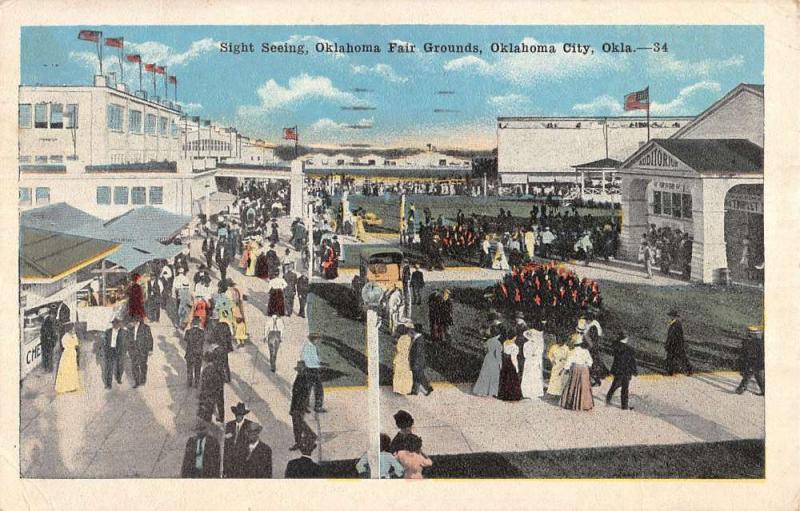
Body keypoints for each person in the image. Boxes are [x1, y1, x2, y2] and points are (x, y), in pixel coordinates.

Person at [560, 333, 594, 411]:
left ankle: (571, 403)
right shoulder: (586, 351)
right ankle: (584, 404)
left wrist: (564, 370)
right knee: (584, 386)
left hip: (576, 368)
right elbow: (590, 362)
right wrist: (586, 365)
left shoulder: (573, 351)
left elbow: (568, 362)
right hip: (584, 369)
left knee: (573, 384)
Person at [289, 361, 318, 451]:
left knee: (299, 424)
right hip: (296, 405)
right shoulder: (300, 377)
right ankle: (301, 442)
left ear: (304, 369)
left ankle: (311, 437)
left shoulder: (305, 379)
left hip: (299, 406)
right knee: (297, 425)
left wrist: (298, 408)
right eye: (298, 369)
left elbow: (304, 395)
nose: (299, 371)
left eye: (300, 369)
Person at [606, 332, 638, 410]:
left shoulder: (616, 347)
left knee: (614, 386)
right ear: (626, 339)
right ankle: (624, 406)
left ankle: (608, 399)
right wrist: (635, 371)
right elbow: (632, 362)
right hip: (627, 372)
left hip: (618, 371)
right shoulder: (630, 350)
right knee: (625, 390)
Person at [223, 402, 254, 478]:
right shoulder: (229, 425)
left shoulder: (249, 425)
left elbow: (251, 446)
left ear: (243, 415)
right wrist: (225, 467)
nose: (238, 416)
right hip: (230, 463)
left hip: (243, 463)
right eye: (237, 414)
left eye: (240, 414)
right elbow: (226, 446)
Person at [472, 320, 503, 397]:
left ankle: (481, 390)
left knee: (485, 374)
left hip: (487, 358)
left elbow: (485, 349)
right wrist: (500, 364)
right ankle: (491, 392)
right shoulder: (498, 343)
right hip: (494, 360)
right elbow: (498, 355)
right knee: (493, 376)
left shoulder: (488, 341)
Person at [736, 326, 765, 396]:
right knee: (758, 376)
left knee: (748, 375)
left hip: (755, 362)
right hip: (758, 362)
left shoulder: (754, 343)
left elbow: (753, 354)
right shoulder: (758, 342)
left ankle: (741, 388)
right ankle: (764, 390)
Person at [301, 333, 326, 412]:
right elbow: (304, 358)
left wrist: (319, 363)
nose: (318, 341)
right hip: (311, 369)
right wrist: (315, 364)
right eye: (317, 339)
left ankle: (305, 405)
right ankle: (317, 406)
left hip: (312, 369)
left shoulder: (311, 346)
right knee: (318, 388)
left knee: (309, 388)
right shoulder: (309, 347)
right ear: (313, 339)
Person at [199, 350, 225, 424]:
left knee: (209, 407)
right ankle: (222, 417)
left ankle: (207, 422)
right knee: (220, 403)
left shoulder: (206, 370)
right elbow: (223, 376)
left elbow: (204, 383)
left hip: (210, 391)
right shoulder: (219, 365)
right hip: (219, 388)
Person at [55, 322, 81, 394]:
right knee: (66, 369)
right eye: (72, 328)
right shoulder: (65, 337)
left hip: (72, 354)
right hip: (67, 354)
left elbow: (76, 344)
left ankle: (72, 386)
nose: (73, 330)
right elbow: (64, 345)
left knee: (72, 369)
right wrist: (71, 346)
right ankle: (65, 387)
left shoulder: (74, 335)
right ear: (69, 329)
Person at [665, 309, 693, 376]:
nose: (669, 317)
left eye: (670, 316)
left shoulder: (676, 324)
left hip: (676, 345)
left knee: (681, 357)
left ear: (673, 316)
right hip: (674, 344)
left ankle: (689, 369)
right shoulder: (674, 323)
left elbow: (676, 336)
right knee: (672, 358)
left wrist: (670, 344)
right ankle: (670, 372)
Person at [520, 326, 545, 399]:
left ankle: (531, 393)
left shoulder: (532, 344)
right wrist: (532, 354)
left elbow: (526, 354)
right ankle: (530, 393)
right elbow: (526, 354)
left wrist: (532, 355)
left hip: (531, 361)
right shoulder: (531, 344)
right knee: (532, 376)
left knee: (533, 376)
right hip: (531, 361)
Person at [497, 329, 522, 401]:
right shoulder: (515, 347)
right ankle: (511, 396)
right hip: (511, 363)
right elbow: (513, 358)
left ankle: (503, 394)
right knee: (512, 380)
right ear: (514, 337)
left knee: (504, 378)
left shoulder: (505, 343)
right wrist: (516, 368)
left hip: (505, 362)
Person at [103, 317, 128, 389]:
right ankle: (108, 384)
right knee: (109, 367)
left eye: (118, 324)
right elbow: (105, 342)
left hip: (120, 351)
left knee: (120, 366)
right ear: (112, 324)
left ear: (120, 324)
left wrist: (125, 351)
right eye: (114, 324)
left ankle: (119, 377)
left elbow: (126, 343)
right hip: (110, 350)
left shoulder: (124, 332)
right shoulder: (108, 331)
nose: (116, 325)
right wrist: (106, 350)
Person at [128, 317, 153, 387]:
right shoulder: (130, 328)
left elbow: (150, 338)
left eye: (132, 322)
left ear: (137, 321)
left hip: (143, 349)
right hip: (133, 349)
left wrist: (150, 349)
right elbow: (128, 339)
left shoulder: (145, 328)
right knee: (134, 366)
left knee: (143, 365)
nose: (131, 323)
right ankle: (137, 382)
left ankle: (143, 379)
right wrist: (129, 349)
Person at [409, 324, 433, 396]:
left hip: (417, 362)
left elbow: (417, 353)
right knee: (416, 376)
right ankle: (415, 390)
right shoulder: (418, 338)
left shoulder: (418, 340)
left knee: (419, 376)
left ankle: (428, 388)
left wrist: (415, 363)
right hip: (417, 361)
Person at [184, 317, 205, 387]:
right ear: (199, 324)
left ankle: (189, 382)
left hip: (190, 353)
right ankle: (197, 382)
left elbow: (185, 339)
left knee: (189, 369)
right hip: (198, 353)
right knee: (198, 369)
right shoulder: (202, 332)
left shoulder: (188, 332)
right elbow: (203, 341)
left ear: (192, 324)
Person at [39, 308, 57, 373]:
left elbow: (48, 331)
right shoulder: (48, 319)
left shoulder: (47, 320)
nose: (40, 315)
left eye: (41, 314)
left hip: (47, 341)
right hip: (49, 340)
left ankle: (48, 369)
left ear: (44, 314)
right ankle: (48, 368)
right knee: (48, 355)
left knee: (47, 355)